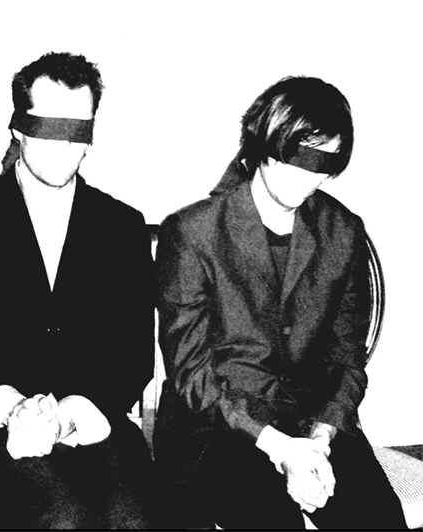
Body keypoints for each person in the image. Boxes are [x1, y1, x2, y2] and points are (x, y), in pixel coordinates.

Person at [153, 76, 407, 529]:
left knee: (379, 518)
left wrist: (320, 439)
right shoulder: (192, 233)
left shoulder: (343, 231)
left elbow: (347, 358)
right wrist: (279, 447)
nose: (308, 177)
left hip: (313, 421)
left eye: (324, 163)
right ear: (264, 144)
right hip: (217, 428)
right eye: (296, 156)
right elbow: (192, 375)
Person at [0, 52, 157, 529]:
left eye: (78, 130)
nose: (63, 145)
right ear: (18, 128)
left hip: (93, 425)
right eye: (48, 127)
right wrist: (15, 411)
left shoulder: (122, 226)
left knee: (131, 521)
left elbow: (132, 355)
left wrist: (66, 418)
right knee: (61, 519)